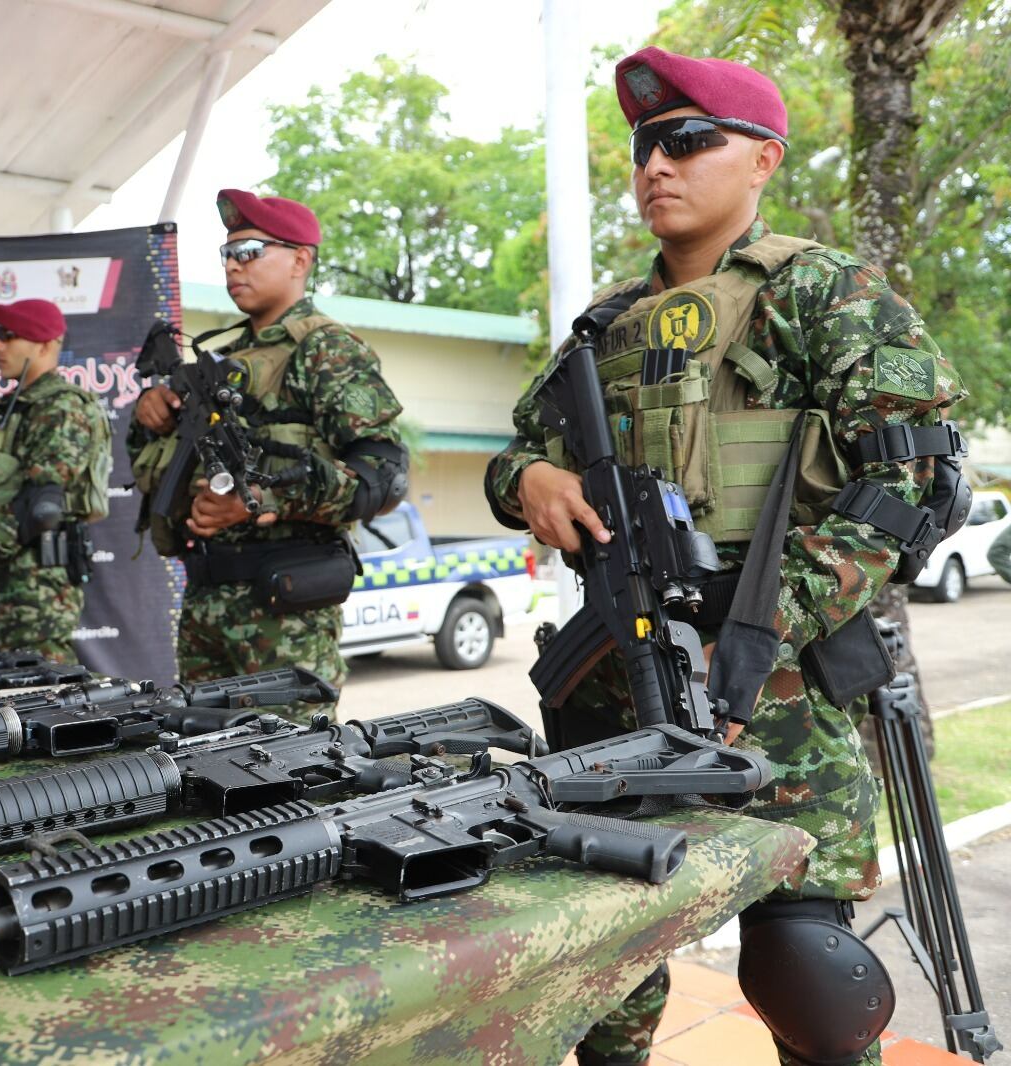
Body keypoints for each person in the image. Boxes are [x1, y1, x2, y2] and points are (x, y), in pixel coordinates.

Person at [484, 48, 965, 1066]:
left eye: (687, 140)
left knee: (808, 976)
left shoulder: (824, 292)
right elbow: (519, 447)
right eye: (644, 146)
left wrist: (758, 629)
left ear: (761, 159)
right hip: (616, 695)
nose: (656, 163)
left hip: (778, 694)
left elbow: (910, 490)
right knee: (601, 963)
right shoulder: (602, 327)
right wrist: (527, 479)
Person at [128, 189, 407, 718]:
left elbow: (383, 477)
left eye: (251, 250)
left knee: (290, 775)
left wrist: (261, 500)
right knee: (205, 765)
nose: (234, 264)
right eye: (228, 253)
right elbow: (155, 464)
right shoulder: (225, 358)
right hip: (208, 602)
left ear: (301, 259)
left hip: (285, 614)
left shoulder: (325, 349)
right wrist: (151, 414)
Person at [0, 298, 112, 663]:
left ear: (45, 344)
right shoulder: (7, 410)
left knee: (42, 704)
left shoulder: (62, 408)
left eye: (9, 336)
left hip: (36, 595)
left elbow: (40, 507)